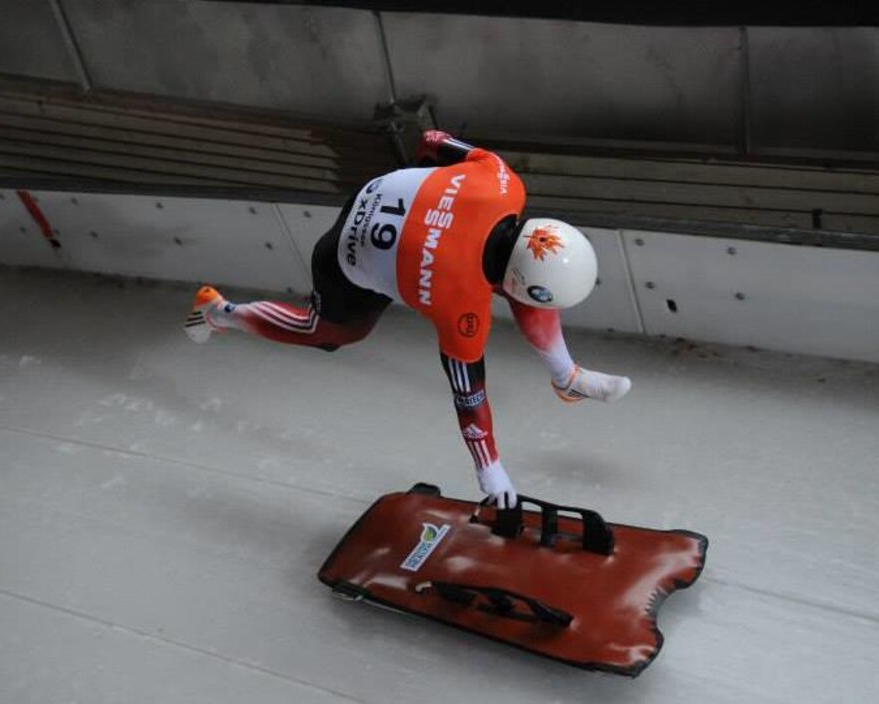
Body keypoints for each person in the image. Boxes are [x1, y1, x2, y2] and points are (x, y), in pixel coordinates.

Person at [183, 130, 631, 508]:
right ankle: (220, 312)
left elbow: (432, 140)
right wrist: (490, 471)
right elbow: (468, 398)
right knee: (330, 333)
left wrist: (429, 194)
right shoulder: (461, 309)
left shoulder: (502, 178)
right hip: (345, 260)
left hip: (386, 192)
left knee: (520, 271)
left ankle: (565, 377)